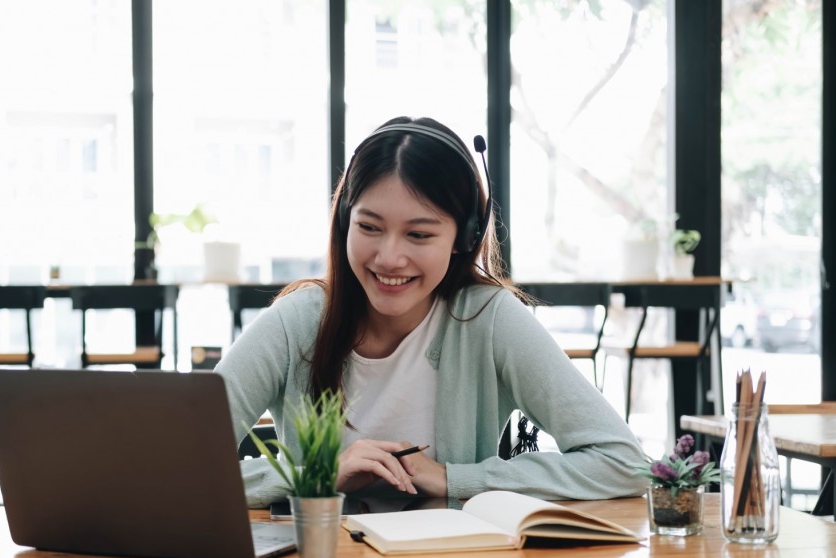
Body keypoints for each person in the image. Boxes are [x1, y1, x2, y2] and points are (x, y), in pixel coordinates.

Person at [216, 116, 647, 508]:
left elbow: (623, 461)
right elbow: (173, 468)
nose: (389, 257)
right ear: (345, 220)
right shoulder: (299, 321)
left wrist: (454, 478)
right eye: (369, 227)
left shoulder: (488, 320)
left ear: (465, 237)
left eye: (419, 234)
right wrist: (317, 476)